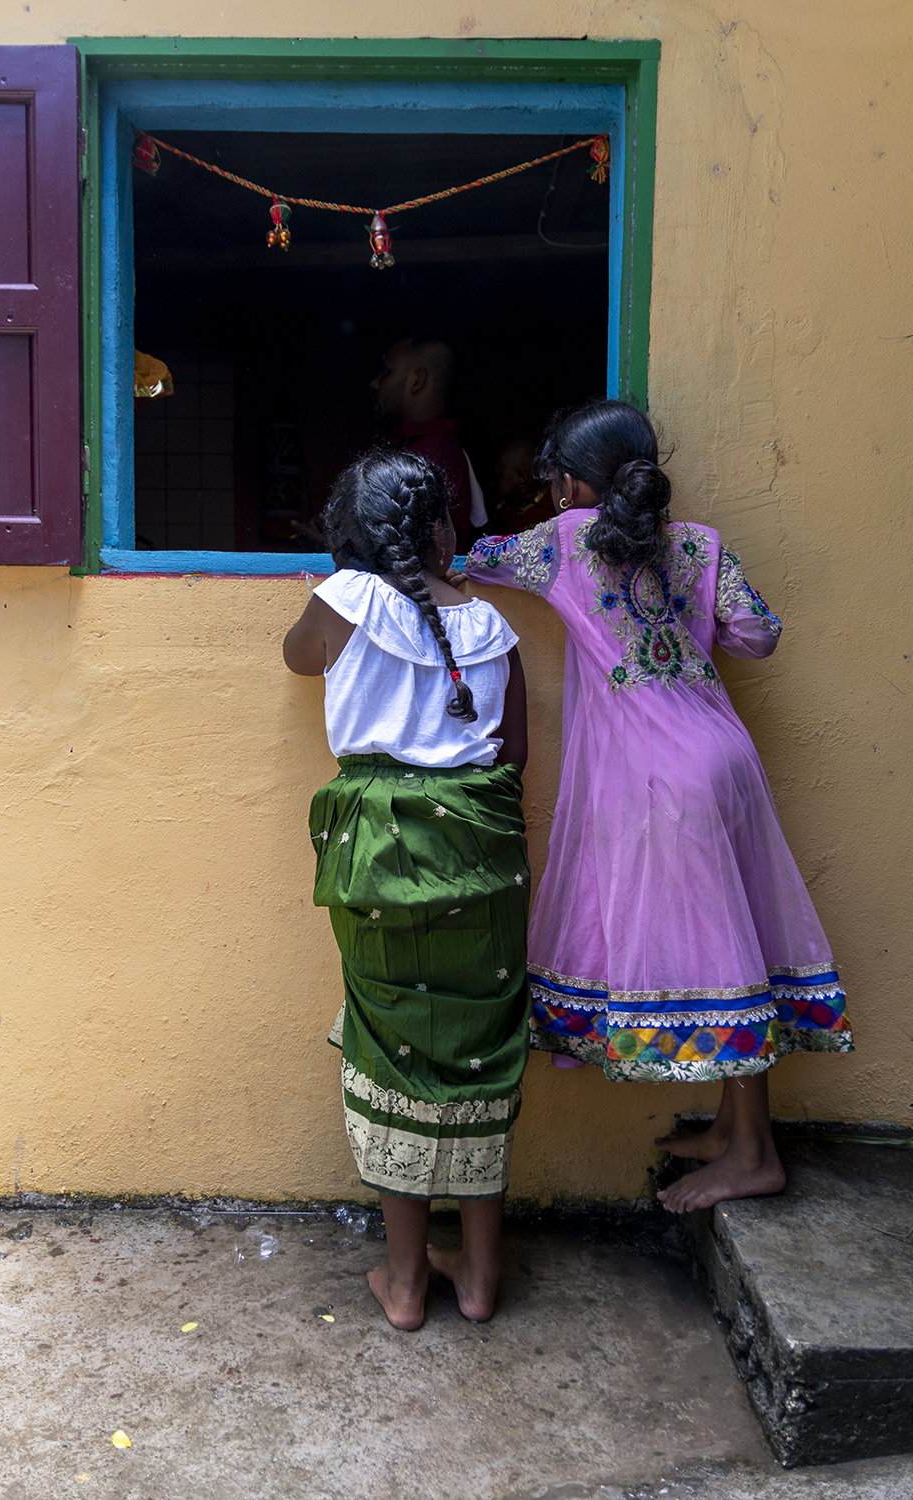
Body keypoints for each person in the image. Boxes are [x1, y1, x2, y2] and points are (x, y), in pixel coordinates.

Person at [461, 400, 853, 1215]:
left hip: (659, 779)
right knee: (736, 941)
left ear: (570, 484)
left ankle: (754, 1155)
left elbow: (478, 558)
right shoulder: (701, 544)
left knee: (720, 958)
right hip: (725, 758)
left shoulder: (564, 541)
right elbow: (757, 635)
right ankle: (732, 1130)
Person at [283, 448, 530, 1329]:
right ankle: (480, 1276)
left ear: (350, 538)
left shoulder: (343, 600)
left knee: (392, 1044)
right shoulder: (493, 627)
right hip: (484, 855)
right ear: (442, 532)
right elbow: (512, 757)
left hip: (380, 856)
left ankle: (404, 1281)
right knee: (483, 1044)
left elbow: (297, 659)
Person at [370, 332, 488, 550]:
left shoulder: (433, 458)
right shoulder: (424, 448)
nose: (374, 383)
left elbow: (405, 552)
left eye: (386, 372)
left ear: (417, 380)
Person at [488, 437, 556, 534]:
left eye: (499, 475)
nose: (492, 483)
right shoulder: (503, 507)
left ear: (521, 477)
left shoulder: (545, 513)